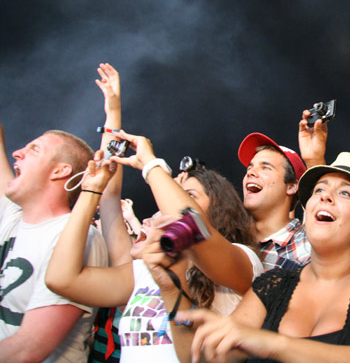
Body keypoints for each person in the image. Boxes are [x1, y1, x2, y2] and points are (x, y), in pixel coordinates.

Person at [176, 152, 350, 363]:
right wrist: (170, 286)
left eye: (345, 193)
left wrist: (274, 344)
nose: (325, 197)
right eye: (319, 190)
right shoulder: (273, 285)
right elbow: (208, 358)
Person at [45, 131, 263, 363]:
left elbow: (193, 227)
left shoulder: (245, 260)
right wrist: (90, 191)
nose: (165, 200)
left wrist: (150, 164)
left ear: (220, 212)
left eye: (187, 194)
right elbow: (61, 279)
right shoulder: (145, 271)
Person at [0, 120, 108, 362]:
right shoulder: (13, 218)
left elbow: (30, 347)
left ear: (60, 171)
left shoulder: (78, 237)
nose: (17, 153)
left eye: (34, 150)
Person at [238, 132, 311, 270]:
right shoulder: (230, 238)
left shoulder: (308, 248)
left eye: (265, 167)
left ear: (292, 186)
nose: (250, 173)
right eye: (250, 167)